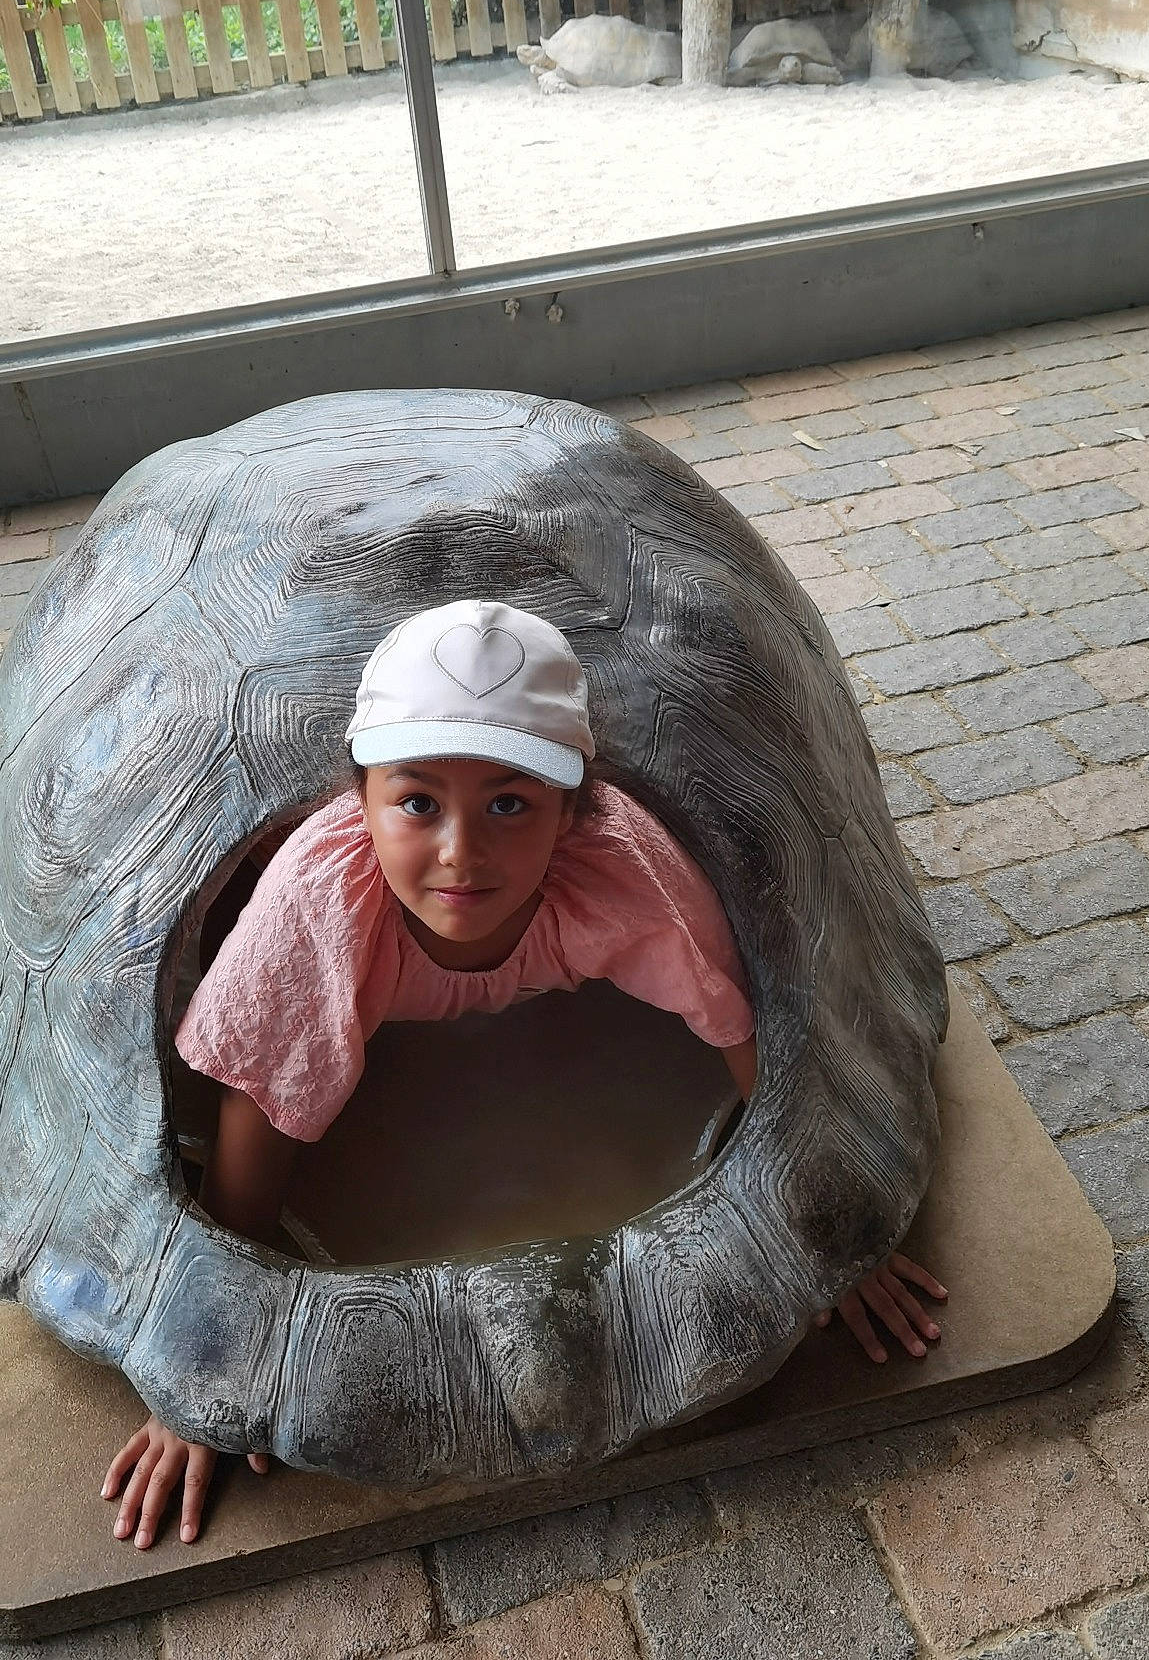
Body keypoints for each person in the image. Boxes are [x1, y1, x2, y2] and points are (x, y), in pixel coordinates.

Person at [103, 599, 947, 1548]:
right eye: (417, 802)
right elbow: (256, 1117)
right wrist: (199, 1357)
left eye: (510, 803)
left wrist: (824, 1228)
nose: (462, 853)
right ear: (360, 802)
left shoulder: (623, 872)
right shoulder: (317, 905)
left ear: (575, 809)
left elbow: (748, 1038)